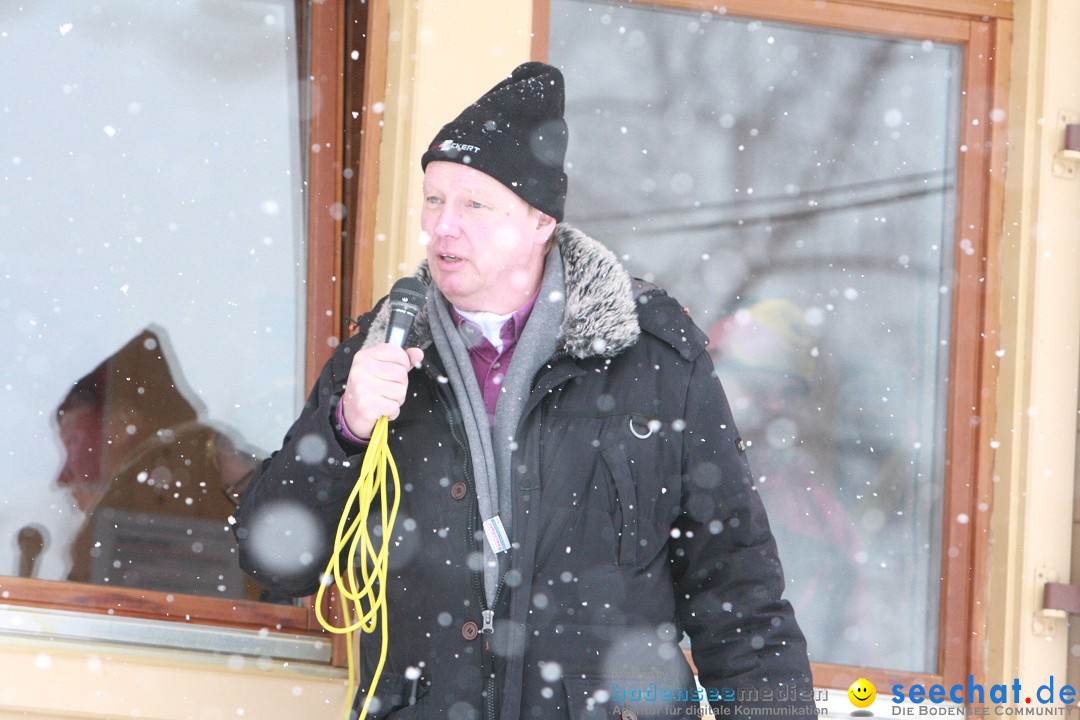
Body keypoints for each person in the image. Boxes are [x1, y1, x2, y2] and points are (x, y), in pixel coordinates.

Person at [235, 62, 816, 720]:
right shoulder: (382, 352)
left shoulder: (654, 364)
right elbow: (272, 560)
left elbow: (740, 606)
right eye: (433, 199)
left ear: (541, 222)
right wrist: (345, 427)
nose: (442, 227)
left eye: (473, 204)